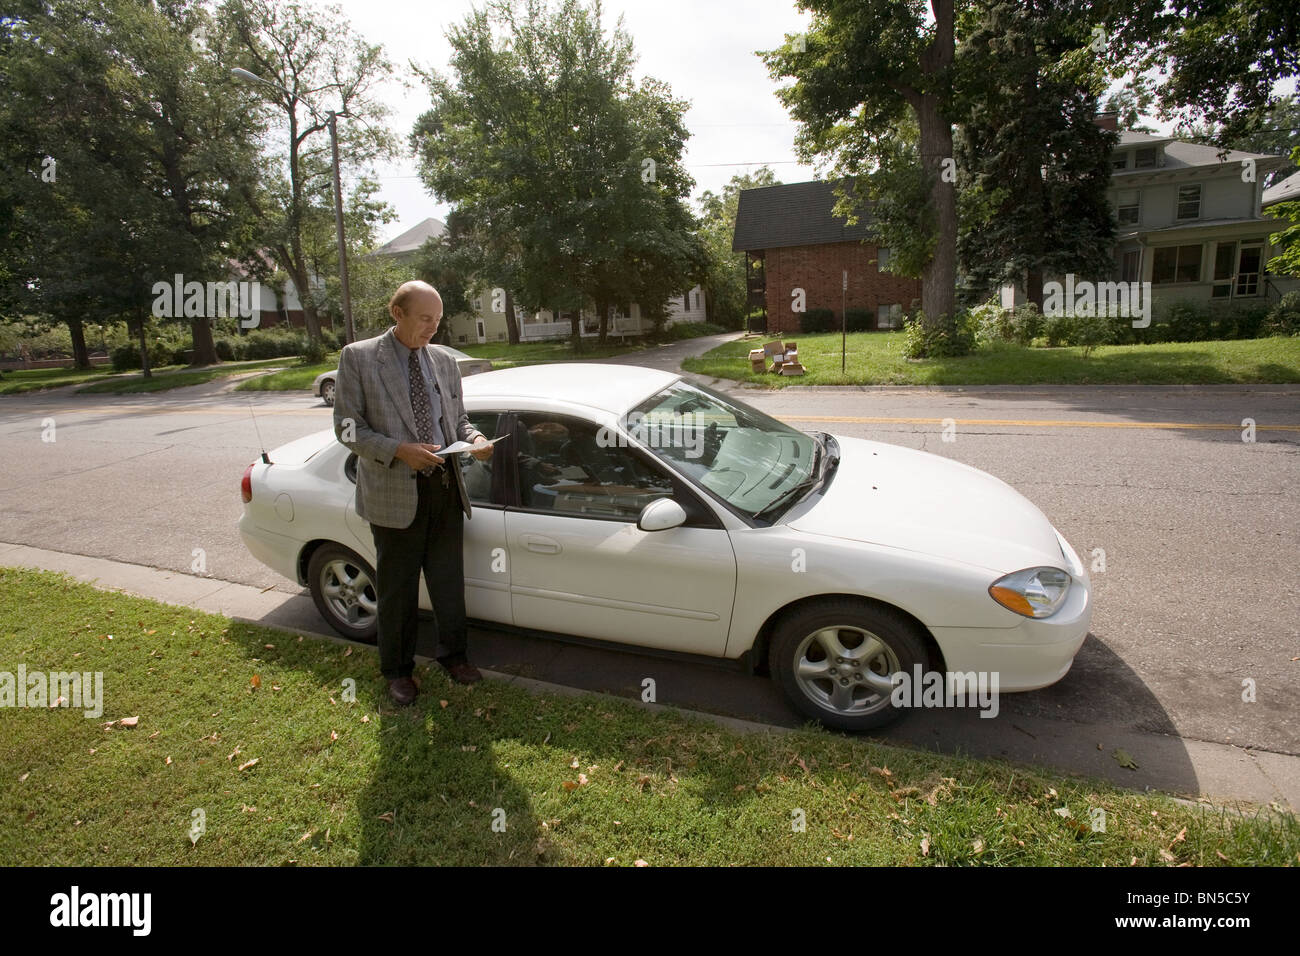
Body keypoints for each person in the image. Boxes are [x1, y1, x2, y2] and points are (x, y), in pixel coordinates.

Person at [332, 280, 494, 705]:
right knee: (397, 590)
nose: (433, 328)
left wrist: (475, 438)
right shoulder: (359, 357)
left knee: (447, 583)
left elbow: (457, 419)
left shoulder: (442, 360)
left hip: (444, 488)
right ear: (397, 313)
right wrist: (399, 451)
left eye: (438, 320)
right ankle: (398, 671)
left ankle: (453, 656)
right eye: (425, 319)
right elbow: (348, 429)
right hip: (393, 494)